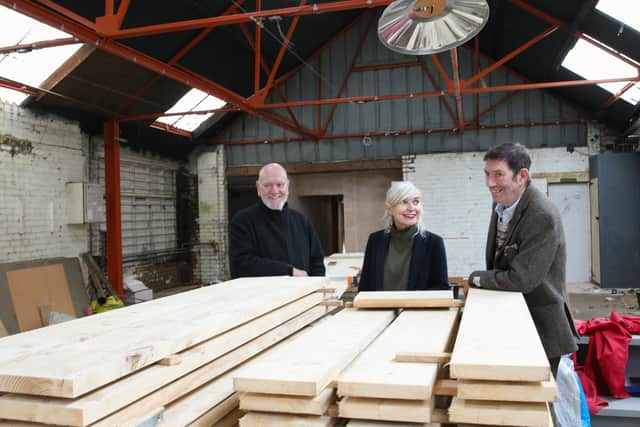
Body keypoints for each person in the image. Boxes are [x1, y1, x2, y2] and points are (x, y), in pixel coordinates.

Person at [464, 142, 578, 376]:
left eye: (498, 175)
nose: (490, 183)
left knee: (538, 407)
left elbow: (522, 279)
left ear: (522, 176)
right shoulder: (501, 202)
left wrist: (477, 279)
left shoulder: (541, 215)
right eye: (487, 174)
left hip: (540, 328)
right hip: (513, 319)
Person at [229, 163, 325, 278]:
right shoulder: (242, 221)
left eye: (280, 185)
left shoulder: (302, 221)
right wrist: (289, 271)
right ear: (258, 188)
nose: (274, 191)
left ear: (287, 187)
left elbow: (317, 262)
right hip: (262, 295)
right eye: (267, 185)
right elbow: (243, 264)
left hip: (301, 293)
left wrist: (314, 288)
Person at [358, 181, 449, 291]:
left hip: (417, 308)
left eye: (416, 202)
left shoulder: (434, 242)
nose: (411, 208)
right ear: (389, 208)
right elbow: (365, 287)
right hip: (380, 308)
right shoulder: (375, 241)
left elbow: (440, 289)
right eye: (403, 202)